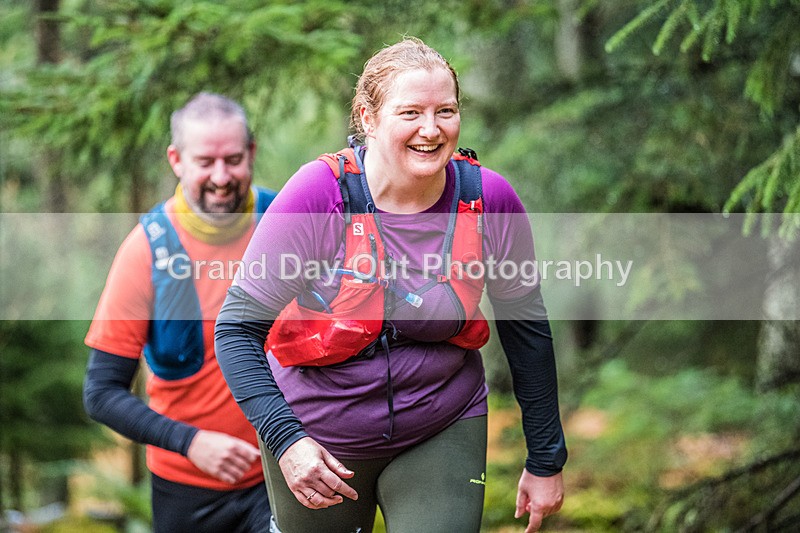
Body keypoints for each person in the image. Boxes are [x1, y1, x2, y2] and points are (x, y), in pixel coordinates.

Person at [215, 38, 566, 533]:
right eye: (411, 113)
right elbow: (235, 330)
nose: (431, 129)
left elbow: (526, 325)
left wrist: (547, 457)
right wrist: (287, 441)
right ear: (369, 117)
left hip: (442, 421)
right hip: (318, 433)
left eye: (446, 110)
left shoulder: (488, 198)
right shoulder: (319, 195)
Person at [83, 92, 276, 533]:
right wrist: (191, 443)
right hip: (185, 490)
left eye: (233, 159)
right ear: (176, 159)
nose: (222, 177)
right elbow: (100, 392)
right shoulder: (145, 250)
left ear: (252, 153)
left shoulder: (286, 223)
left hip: (283, 475)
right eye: (206, 162)